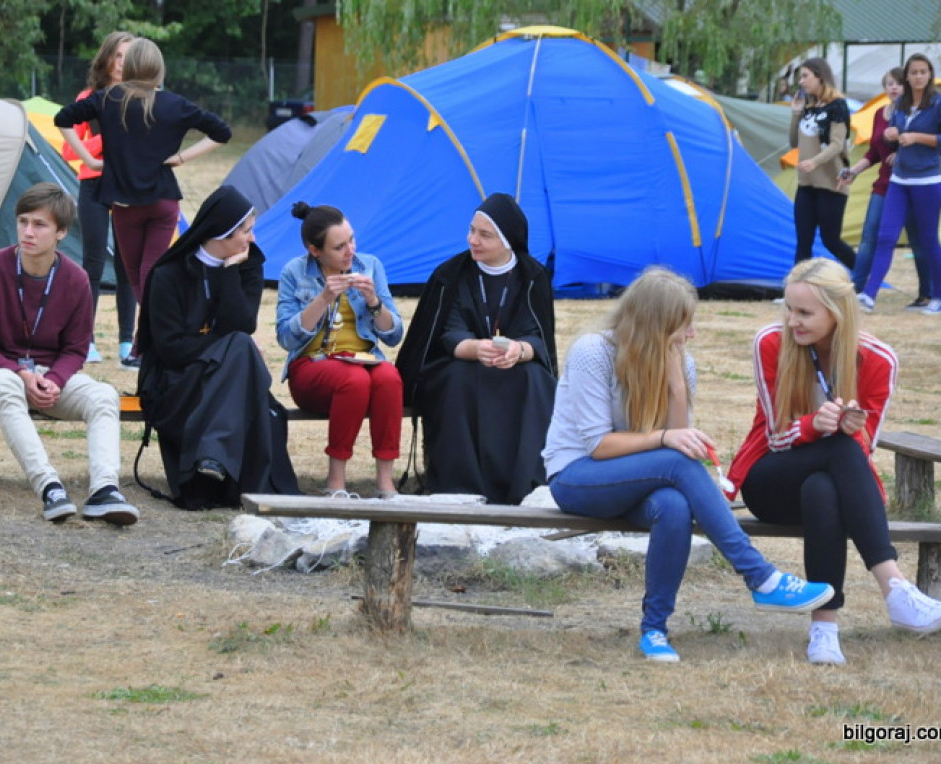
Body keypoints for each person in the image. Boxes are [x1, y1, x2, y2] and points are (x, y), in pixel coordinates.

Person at [542, 267, 834, 663]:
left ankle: (655, 630)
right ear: (653, 325)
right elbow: (598, 446)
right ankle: (759, 575)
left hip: (640, 479)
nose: (691, 334)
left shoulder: (683, 363)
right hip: (577, 478)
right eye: (683, 325)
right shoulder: (594, 351)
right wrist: (665, 439)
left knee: (674, 507)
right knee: (671, 463)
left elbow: (677, 447)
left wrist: (677, 386)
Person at [727, 258, 941, 665]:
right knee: (836, 450)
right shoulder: (770, 343)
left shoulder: (879, 360)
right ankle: (894, 587)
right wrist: (814, 426)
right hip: (771, 479)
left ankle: (824, 631)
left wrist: (847, 429)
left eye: (805, 312)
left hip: (835, 487)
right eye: (789, 308)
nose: (793, 321)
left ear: (837, 312)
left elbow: (863, 451)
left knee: (824, 486)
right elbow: (774, 438)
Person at [0, 183, 139, 525]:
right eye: (23, 221)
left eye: (39, 225)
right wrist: (22, 373)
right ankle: (50, 488)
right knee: (5, 384)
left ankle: (104, 490)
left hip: (47, 378)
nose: (28, 232)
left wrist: (54, 379)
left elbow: (75, 349)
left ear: (61, 232)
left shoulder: (75, 279)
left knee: (102, 394)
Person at [55, 37, 232, 367]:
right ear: (159, 69)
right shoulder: (175, 104)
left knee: (141, 275)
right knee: (144, 276)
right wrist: (181, 157)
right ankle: (144, 342)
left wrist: (90, 161)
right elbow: (221, 132)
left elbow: (62, 119)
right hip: (163, 202)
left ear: (132, 65)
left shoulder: (109, 99)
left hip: (126, 205)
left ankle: (146, 342)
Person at [137, 185, 299, 509]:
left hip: (222, 382)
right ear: (222, 233)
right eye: (246, 232)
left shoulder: (247, 266)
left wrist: (228, 274)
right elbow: (171, 350)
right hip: (177, 384)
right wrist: (224, 348)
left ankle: (214, 457)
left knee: (240, 345)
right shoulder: (169, 274)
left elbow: (242, 324)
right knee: (240, 348)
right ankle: (215, 455)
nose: (252, 240)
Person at [395, 193, 557, 504]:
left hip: (515, 367)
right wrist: (474, 348)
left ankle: (526, 484)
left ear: (508, 240)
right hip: (461, 364)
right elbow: (446, 332)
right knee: (455, 379)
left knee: (536, 381)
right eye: (471, 230)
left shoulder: (533, 277)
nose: (473, 240)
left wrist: (518, 350)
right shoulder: (451, 274)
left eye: (484, 235)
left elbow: (538, 335)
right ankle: (460, 486)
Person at [275, 202, 404, 498]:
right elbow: (286, 338)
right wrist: (322, 299)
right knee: (354, 380)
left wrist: (373, 301)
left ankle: (385, 484)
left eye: (352, 240)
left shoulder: (369, 265)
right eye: (339, 247)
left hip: (363, 361)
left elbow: (394, 335)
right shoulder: (295, 272)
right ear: (315, 250)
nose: (351, 251)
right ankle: (336, 482)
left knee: (389, 377)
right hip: (312, 366)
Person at [60, 31, 138, 366]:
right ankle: (85, 341)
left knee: (126, 267)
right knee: (91, 264)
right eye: (118, 56)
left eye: (129, 56)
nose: (123, 63)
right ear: (106, 58)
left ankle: (125, 345)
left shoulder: (142, 97)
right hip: (92, 186)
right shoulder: (88, 97)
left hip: (128, 189)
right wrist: (103, 139)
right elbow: (67, 150)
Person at [839, 67, 930, 311]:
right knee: (870, 237)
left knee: (918, 240)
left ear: (908, 86)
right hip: (883, 186)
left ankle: (927, 294)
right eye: (889, 83)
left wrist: (901, 154)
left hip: (909, 185)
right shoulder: (880, 113)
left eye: (899, 83)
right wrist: (853, 171)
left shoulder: (916, 113)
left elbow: (927, 144)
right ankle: (857, 290)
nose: (894, 88)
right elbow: (873, 152)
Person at [858, 54, 941, 316]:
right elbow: (892, 138)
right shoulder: (900, 104)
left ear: (929, 75)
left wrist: (916, 137)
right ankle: (869, 295)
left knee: (928, 240)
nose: (918, 76)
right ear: (907, 76)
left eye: (923, 72)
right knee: (885, 237)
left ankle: (937, 296)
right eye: (914, 72)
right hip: (899, 180)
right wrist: (889, 135)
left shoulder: (937, 102)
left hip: (928, 180)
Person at [789, 57, 856, 269]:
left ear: (820, 76)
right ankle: (797, 290)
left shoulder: (838, 106)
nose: (801, 81)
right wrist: (796, 114)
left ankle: (864, 275)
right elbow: (793, 141)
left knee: (831, 240)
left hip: (830, 184)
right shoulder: (809, 107)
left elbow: (837, 144)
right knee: (803, 241)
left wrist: (814, 162)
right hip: (806, 185)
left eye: (805, 76)